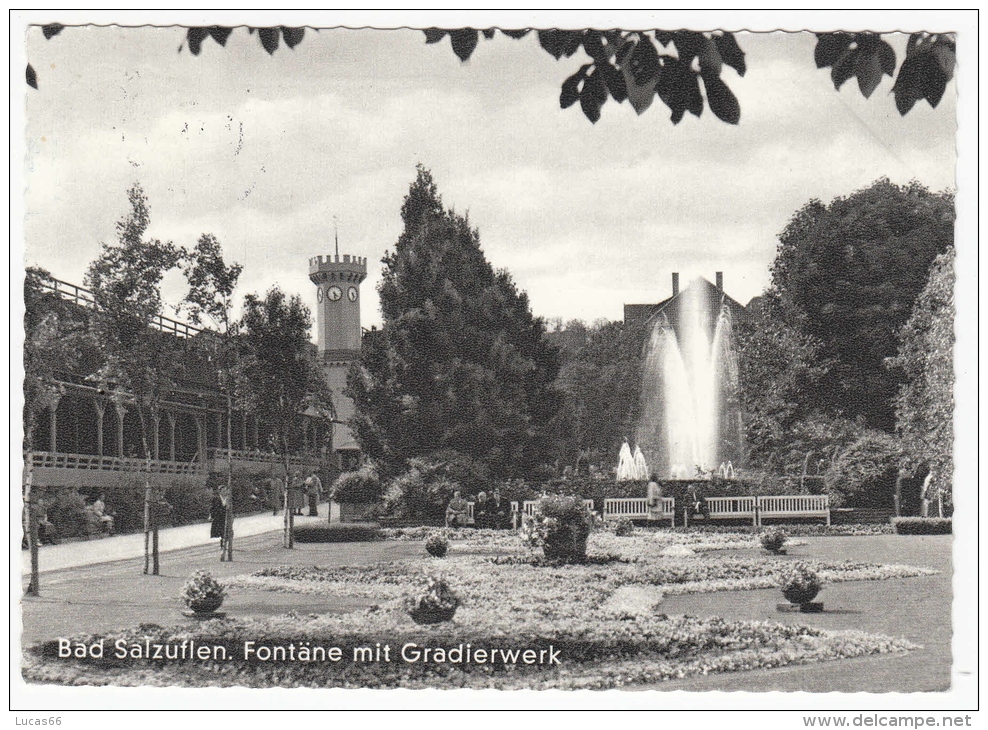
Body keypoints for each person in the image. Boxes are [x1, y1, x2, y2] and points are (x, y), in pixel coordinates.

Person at [209, 485, 226, 550]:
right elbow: (212, 508)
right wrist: (210, 516)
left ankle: (224, 543)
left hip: (225, 517)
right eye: (223, 491)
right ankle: (222, 545)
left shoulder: (228, 498)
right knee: (221, 531)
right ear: (220, 491)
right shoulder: (216, 498)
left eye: (225, 490)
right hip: (219, 517)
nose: (224, 492)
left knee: (225, 531)